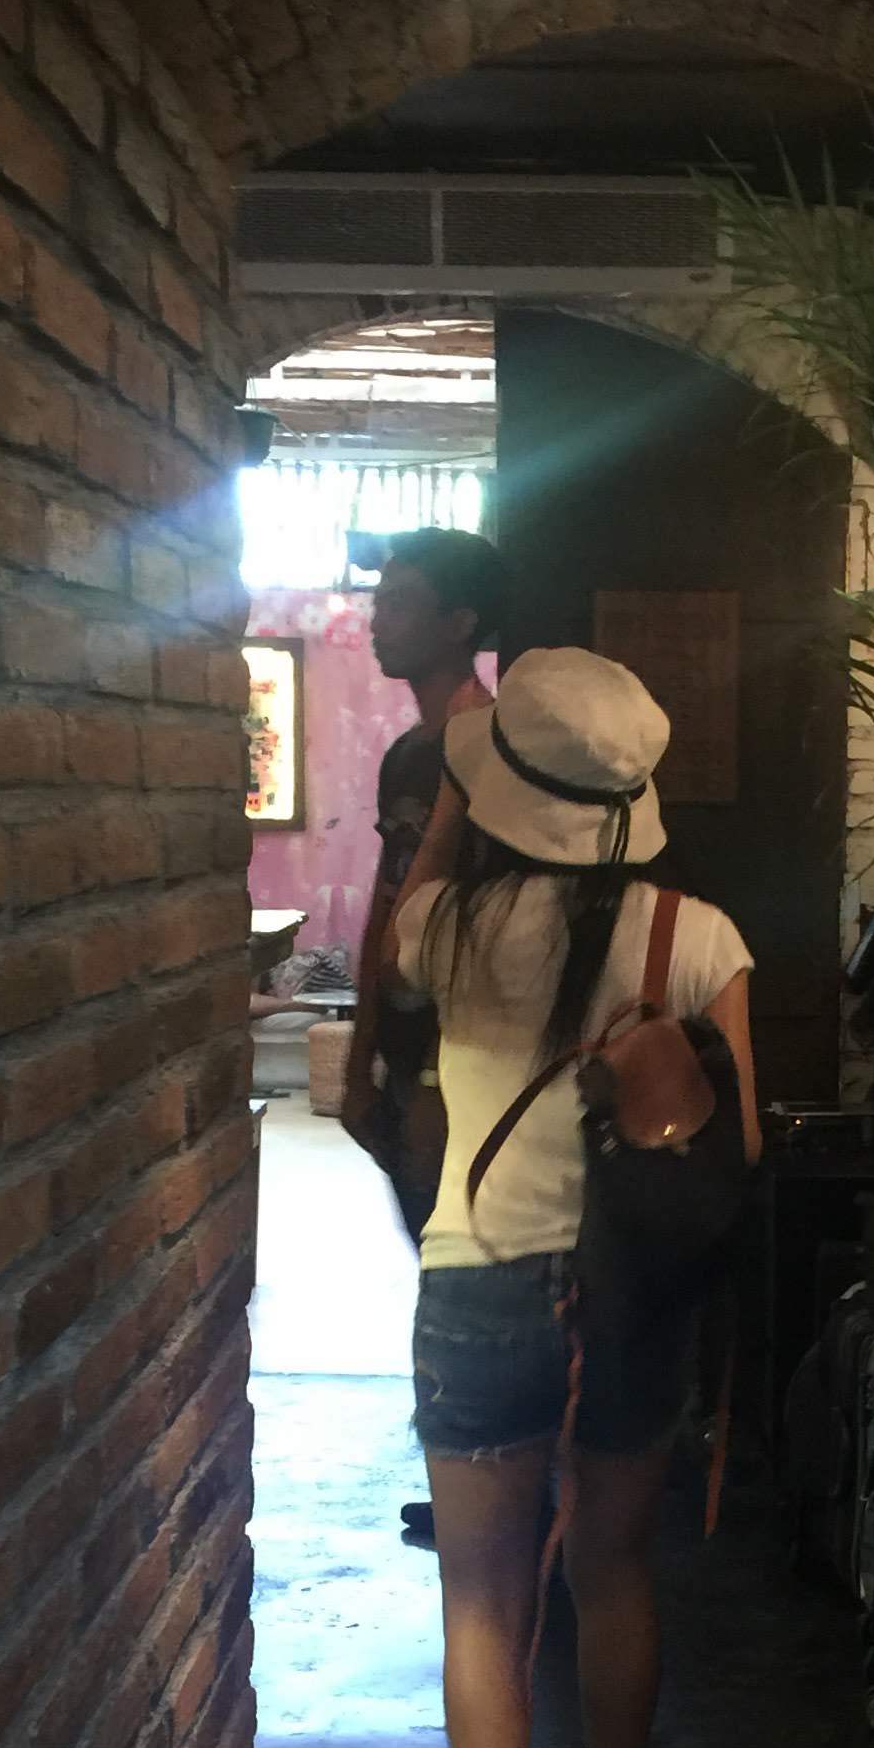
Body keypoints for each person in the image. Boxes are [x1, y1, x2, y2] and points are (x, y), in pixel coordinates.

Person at [385, 648, 762, 1748]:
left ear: (506, 792)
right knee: (611, 1569)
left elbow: (406, 908)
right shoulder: (699, 939)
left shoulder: (450, 928)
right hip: (629, 1294)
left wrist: (457, 779)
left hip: (480, 1279)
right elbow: (737, 1147)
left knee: (481, 1598)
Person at [341, 525, 506, 1548]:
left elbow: (491, 923)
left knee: (467, 1266)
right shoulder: (414, 751)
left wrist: (438, 1070)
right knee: (438, 1258)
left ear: (459, 622)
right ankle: (465, 1476)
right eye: (380, 598)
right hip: (411, 1046)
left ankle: (489, 1485)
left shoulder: (494, 748)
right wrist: (363, 1050)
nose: (377, 618)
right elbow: (384, 903)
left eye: (400, 600)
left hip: (468, 1050)